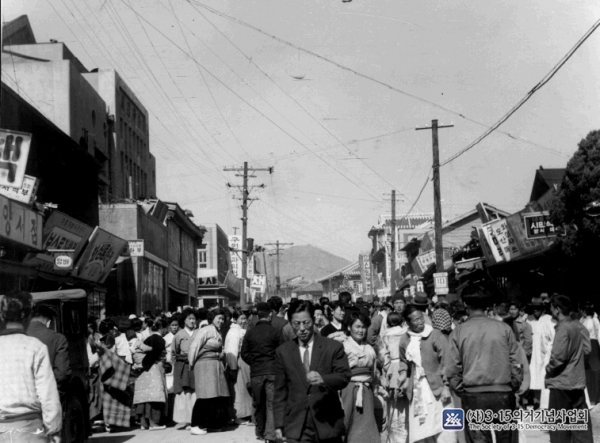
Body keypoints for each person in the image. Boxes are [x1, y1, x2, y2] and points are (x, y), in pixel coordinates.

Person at [446, 284, 523, 443]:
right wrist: (513, 384)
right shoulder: (504, 329)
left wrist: (462, 389)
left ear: (465, 305)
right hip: (503, 392)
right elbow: (517, 362)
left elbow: (452, 369)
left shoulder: (459, 331)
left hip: (473, 395)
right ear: (488, 305)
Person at [274, 300, 351, 443]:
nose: (302, 328)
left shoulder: (333, 347)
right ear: (290, 323)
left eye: (306, 322)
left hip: (328, 422)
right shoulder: (283, 352)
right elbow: (280, 392)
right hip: (297, 424)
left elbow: (344, 376)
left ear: (314, 320)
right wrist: (279, 424)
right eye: (297, 323)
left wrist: (324, 379)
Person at [0, 291, 62, 443]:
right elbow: (47, 394)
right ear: (28, 317)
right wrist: (53, 429)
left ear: (2, 316)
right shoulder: (36, 347)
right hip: (30, 431)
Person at [399, 305, 455, 443]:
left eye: (421, 318)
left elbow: (446, 361)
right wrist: (403, 376)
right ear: (407, 323)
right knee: (423, 430)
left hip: (438, 388)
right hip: (417, 390)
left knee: (445, 427)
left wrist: (446, 386)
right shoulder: (405, 339)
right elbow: (403, 362)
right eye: (416, 320)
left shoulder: (435, 335)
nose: (420, 322)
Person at [545, 295, 593, 443]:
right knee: (580, 425)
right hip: (576, 381)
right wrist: (576, 361)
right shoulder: (577, 326)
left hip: (561, 383)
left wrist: (548, 368)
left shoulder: (563, 328)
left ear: (557, 309)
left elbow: (558, 357)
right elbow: (587, 348)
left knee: (559, 427)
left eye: (552, 308)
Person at [242, 302, 285, 442]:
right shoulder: (275, 332)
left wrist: (254, 363)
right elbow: (282, 352)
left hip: (256, 373)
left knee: (258, 404)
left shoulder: (250, 333)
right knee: (272, 404)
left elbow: (244, 354)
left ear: (258, 315)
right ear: (271, 314)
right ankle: (270, 435)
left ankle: (260, 432)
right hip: (273, 372)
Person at [188, 307, 230, 435]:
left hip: (214, 365)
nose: (221, 321)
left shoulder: (218, 332)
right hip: (204, 365)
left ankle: (211, 424)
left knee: (215, 396)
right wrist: (191, 364)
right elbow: (194, 346)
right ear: (212, 318)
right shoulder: (205, 330)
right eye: (219, 318)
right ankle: (195, 424)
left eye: (223, 319)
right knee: (205, 395)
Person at [340, 310, 380, 443]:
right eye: (357, 326)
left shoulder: (369, 348)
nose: (361, 330)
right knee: (346, 422)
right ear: (349, 327)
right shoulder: (343, 347)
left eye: (363, 327)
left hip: (366, 389)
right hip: (348, 389)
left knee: (367, 424)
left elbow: (373, 372)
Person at [26, 304, 71, 398]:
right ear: (49, 322)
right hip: (46, 397)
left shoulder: (15, 337)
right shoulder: (58, 339)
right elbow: (62, 373)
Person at [133, 318, 169, 430]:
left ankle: (144, 424)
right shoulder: (160, 340)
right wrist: (144, 364)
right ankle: (154, 423)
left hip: (143, 371)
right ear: (163, 328)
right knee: (154, 397)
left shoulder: (148, 338)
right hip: (152, 369)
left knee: (145, 398)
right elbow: (153, 355)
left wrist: (140, 366)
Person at [379, 312, 409, 443]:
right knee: (405, 406)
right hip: (403, 367)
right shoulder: (406, 332)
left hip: (391, 368)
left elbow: (383, 356)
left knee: (392, 406)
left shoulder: (385, 335)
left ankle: (393, 437)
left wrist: (386, 368)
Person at [224, 309, 253, 424]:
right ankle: (238, 415)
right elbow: (232, 350)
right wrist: (233, 367)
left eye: (245, 318)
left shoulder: (241, 330)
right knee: (238, 389)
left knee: (243, 389)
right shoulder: (234, 332)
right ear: (235, 320)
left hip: (243, 362)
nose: (244, 321)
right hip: (238, 362)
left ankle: (245, 414)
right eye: (241, 319)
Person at [172, 308, 197, 428]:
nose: (192, 321)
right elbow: (174, 351)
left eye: (194, 318)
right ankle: (186, 419)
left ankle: (195, 419)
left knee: (195, 391)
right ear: (184, 320)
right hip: (183, 366)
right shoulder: (179, 335)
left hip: (196, 365)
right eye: (190, 318)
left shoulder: (199, 333)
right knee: (184, 391)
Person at [581, 304, 600, 406]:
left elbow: (598, 333)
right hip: (585, 345)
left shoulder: (594, 320)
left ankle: (595, 398)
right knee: (587, 371)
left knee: (595, 371)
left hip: (593, 344)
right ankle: (589, 397)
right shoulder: (582, 320)